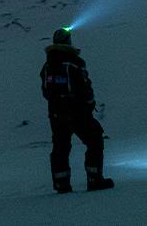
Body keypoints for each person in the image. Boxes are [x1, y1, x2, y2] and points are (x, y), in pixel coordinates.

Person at [40, 28, 115, 193]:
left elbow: (45, 91)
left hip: (56, 114)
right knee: (95, 140)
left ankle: (61, 184)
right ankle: (94, 179)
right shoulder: (75, 63)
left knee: (61, 146)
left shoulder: (48, 65)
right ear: (67, 42)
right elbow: (85, 87)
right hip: (77, 112)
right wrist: (88, 104)